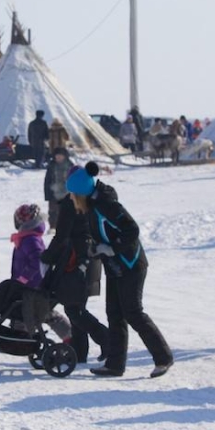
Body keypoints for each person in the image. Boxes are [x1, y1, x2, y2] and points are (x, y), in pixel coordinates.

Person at [67, 162, 174, 378]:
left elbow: (131, 230)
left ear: (81, 192)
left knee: (133, 312)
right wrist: (96, 249)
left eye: (72, 193)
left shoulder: (106, 205)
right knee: (114, 314)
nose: (71, 198)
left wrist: (112, 248)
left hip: (131, 264)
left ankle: (163, 358)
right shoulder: (91, 205)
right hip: (115, 265)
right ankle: (115, 364)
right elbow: (102, 234)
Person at [41, 165, 109, 364]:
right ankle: (79, 352)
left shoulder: (71, 204)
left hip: (75, 261)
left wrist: (47, 257)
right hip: (92, 259)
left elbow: (61, 236)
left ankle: (108, 340)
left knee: (74, 309)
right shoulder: (94, 201)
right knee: (76, 306)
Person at [9, 204, 72, 341]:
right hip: (27, 285)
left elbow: (37, 261)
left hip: (34, 286)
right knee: (26, 311)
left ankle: (69, 337)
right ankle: (19, 337)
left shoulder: (30, 240)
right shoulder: (26, 238)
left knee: (41, 313)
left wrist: (23, 279)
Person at [43, 148, 73, 233]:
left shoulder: (70, 165)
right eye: (57, 156)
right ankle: (53, 226)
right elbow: (47, 180)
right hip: (54, 192)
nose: (58, 157)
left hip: (67, 192)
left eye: (60, 156)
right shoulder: (52, 166)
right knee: (53, 211)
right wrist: (48, 194)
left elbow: (75, 179)